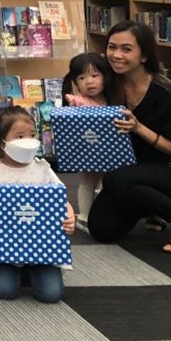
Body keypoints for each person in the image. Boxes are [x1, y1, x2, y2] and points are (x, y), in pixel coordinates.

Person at [88, 20, 171, 254]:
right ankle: (152, 209)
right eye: (111, 47)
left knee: (115, 180)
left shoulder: (166, 94)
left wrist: (139, 128)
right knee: (101, 229)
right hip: (131, 172)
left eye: (126, 49)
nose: (116, 55)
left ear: (143, 56)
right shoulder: (109, 85)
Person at [0, 105, 75, 302]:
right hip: (3, 247)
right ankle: (13, 270)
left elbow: (60, 198)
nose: (28, 141)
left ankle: (33, 268)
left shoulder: (42, 168)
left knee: (51, 295)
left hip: (43, 246)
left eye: (32, 135)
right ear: (0, 142)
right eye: (19, 137)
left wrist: (69, 216)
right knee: (5, 292)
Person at [61, 52, 117, 229]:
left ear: (105, 77)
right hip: (87, 150)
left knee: (106, 182)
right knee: (87, 180)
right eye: (82, 77)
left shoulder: (112, 100)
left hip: (109, 150)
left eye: (95, 75)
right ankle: (84, 215)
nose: (89, 81)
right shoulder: (79, 101)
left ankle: (103, 215)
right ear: (76, 83)